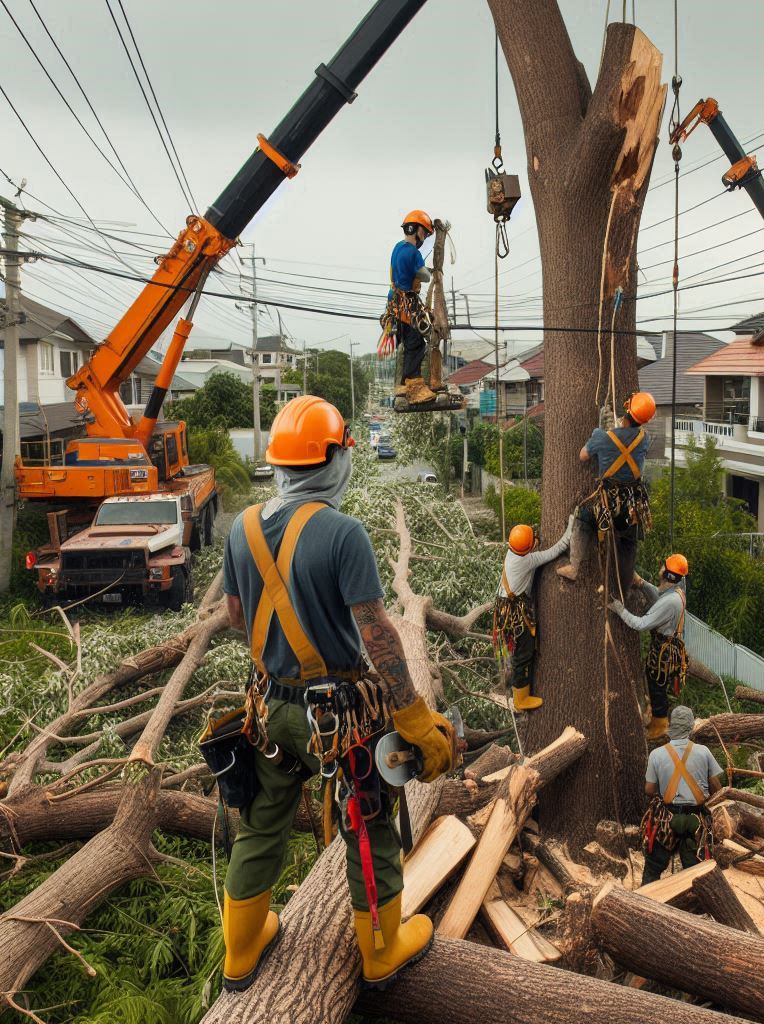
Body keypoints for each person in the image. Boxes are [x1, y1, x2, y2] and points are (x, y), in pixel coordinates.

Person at [218, 395, 454, 992]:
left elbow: (234, 614)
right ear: (333, 460)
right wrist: (414, 716)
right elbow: (378, 633)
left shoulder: (241, 528)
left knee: (261, 822)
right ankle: (381, 951)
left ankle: (241, 951)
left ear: (278, 463)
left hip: (269, 709)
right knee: (368, 817)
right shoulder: (343, 533)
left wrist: (281, 660)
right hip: (340, 716)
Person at [557, 391, 655, 591]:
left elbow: (583, 456)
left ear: (627, 411)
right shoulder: (645, 439)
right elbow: (627, 437)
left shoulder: (603, 438)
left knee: (582, 517)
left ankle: (574, 567)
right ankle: (627, 580)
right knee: (629, 541)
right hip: (631, 507)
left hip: (607, 506)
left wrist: (599, 430)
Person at [493, 518, 573, 712]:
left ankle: (518, 691)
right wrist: (571, 523)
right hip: (516, 614)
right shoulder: (529, 560)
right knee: (523, 653)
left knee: (518, 652)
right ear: (528, 547)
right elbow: (560, 547)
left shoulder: (512, 554)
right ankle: (521, 699)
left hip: (505, 610)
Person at [609, 554, 689, 742]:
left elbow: (641, 624)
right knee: (655, 684)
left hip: (664, 651)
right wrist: (642, 583)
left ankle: (660, 728)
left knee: (657, 686)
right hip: (667, 647)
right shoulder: (675, 592)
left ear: (669, 576)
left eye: (664, 567)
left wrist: (619, 609)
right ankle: (656, 722)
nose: (661, 568)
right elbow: (659, 596)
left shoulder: (671, 602)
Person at [641, 705, 722, 884]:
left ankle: (644, 902)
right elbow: (717, 786)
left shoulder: (657, 754)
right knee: (696, 872)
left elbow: (648, 789)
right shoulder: (704, 752)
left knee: (653, 868)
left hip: (666, 820)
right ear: (691, 726)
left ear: (670, 725)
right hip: (696, 820)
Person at [388, 209, 435, 405]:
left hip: (393, 303)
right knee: (416, 344)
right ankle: (414, 388)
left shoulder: (397, 248)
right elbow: (425, 276)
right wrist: (428, 271)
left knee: (403, 345)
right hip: (408, 306)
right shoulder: (413, 253)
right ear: (415, 230)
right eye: (424, 232)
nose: (424, 236)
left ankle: (400, 384)